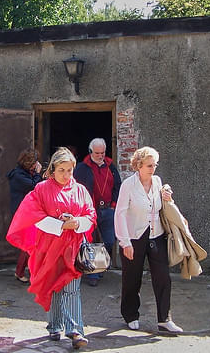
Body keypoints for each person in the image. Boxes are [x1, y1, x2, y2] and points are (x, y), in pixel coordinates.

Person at [6, 147, 96, 349]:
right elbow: (33, 216)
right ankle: (54, 326)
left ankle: (75, 331)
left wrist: (78, 222)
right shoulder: (41, 189)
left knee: (71, 288)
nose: (66, 175)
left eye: (69, 170)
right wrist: (61, 225)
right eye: (62, 170)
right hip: (49, 248)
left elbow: (91, 215)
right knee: (53, 285)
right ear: (53, 169)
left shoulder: (80, 190)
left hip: (73, 248)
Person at [114, 146, 183, 333]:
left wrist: (167, 197)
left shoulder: (158, 181)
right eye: (149, 165)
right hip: (134, 236)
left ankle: (164, 319)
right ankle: (130, 315)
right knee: (132, 278)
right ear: (138, 166)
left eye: (155, 165)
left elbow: (162, 206)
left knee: (163, 277)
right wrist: (125, 241)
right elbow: (120, 214)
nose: (153, 169)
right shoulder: (129, 185)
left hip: (156, 235)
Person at [74, 138, 121, 287]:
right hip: (90, 211)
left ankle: (99, 267)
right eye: (97, 153)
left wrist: (113, 205)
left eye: (102, 152)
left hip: (107, 209)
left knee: (108, 241)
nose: (100, 155)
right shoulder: (82, 168)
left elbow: (118, 185)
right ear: (90, 152)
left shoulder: (110, 166)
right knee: (90, 243)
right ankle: (93, 273)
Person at [7, 148, 43, 283]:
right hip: (24, 214)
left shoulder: (24, 173)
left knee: (30, 243)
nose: (36, 165)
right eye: (34, 162)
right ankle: (21, 271)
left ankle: (22, 271)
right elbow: (35, 186)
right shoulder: (18, 175)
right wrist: (38, 174)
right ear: (29, 163)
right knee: (30, 243)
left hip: (28, 212)